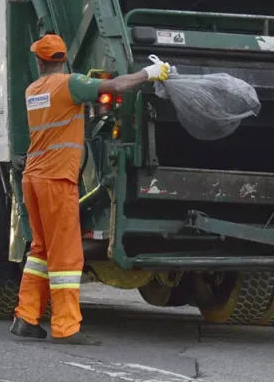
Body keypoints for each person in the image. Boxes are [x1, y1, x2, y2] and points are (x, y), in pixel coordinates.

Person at [10, 34, 169, 345]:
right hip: (57, 180)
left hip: (33, 178)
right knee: (66, 257)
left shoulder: (33, 90)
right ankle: (66, 327)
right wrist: (148, 74)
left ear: (40, 61)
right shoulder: (69, 84)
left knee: (40, 252)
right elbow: (115, 87)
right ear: (63, 58)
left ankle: (26, 318)